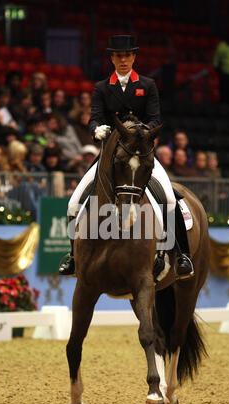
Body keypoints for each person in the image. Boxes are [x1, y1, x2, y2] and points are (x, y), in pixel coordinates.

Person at [59, 35, 193, 278]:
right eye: (119, 56)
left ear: (134, 57)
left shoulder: (147, 85)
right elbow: (95, 118)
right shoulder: (102, 87)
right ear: (112, 58)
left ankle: (182, 254)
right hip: (111, 154)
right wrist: (95, 130)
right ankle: (72, 257)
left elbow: (155, 118)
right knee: (73, 202)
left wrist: (142, 131)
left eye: (127, 55)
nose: (123, 60)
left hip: (140, 153)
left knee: (171, 201)